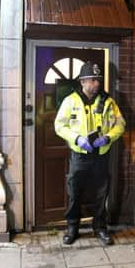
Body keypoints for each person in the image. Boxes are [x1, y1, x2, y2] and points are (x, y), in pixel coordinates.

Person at [54, 61, 125, 246]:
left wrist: (108, 138)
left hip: (101, 155)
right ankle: (72, 227)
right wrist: (77, 139)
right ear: (83, 81)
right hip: (80, 155)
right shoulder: (70, 101)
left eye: (98, 80)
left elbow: (121, 124)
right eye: (93, 80)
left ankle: (100, 227)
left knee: (101, 193)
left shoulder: (108, 101)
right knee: (75, 192)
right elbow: (59, 125)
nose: (97, 84)